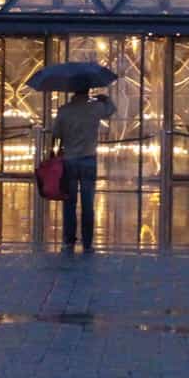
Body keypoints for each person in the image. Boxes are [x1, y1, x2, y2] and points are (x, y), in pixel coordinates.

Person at [50, 83, 113, 252]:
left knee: (69, 203)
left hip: (69, 160)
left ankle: (69, 240)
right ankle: (87, 243)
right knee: (88, 204)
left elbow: (55, 133)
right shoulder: (95, 108)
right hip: (88, 160)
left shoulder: (64, 110)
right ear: (88, 91)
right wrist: (104, 98)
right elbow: (111, 110)